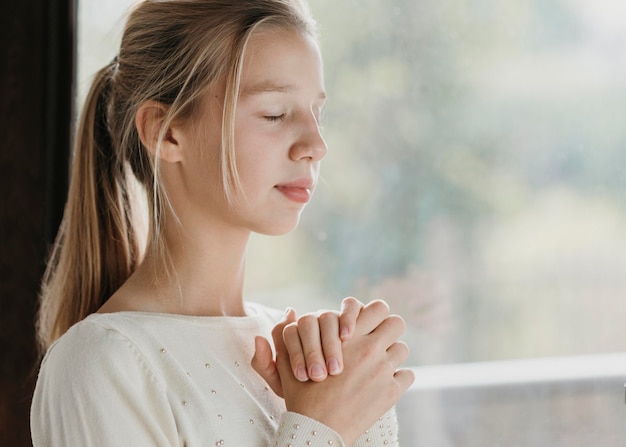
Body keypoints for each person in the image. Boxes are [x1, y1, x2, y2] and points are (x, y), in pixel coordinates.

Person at [30, 1, 415, 445]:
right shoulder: (101, 363)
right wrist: (321, 426)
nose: (316, 145)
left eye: (316, 113)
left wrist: (362, 411)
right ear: (166, 131)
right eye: (274, 113)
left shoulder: (298, 355)